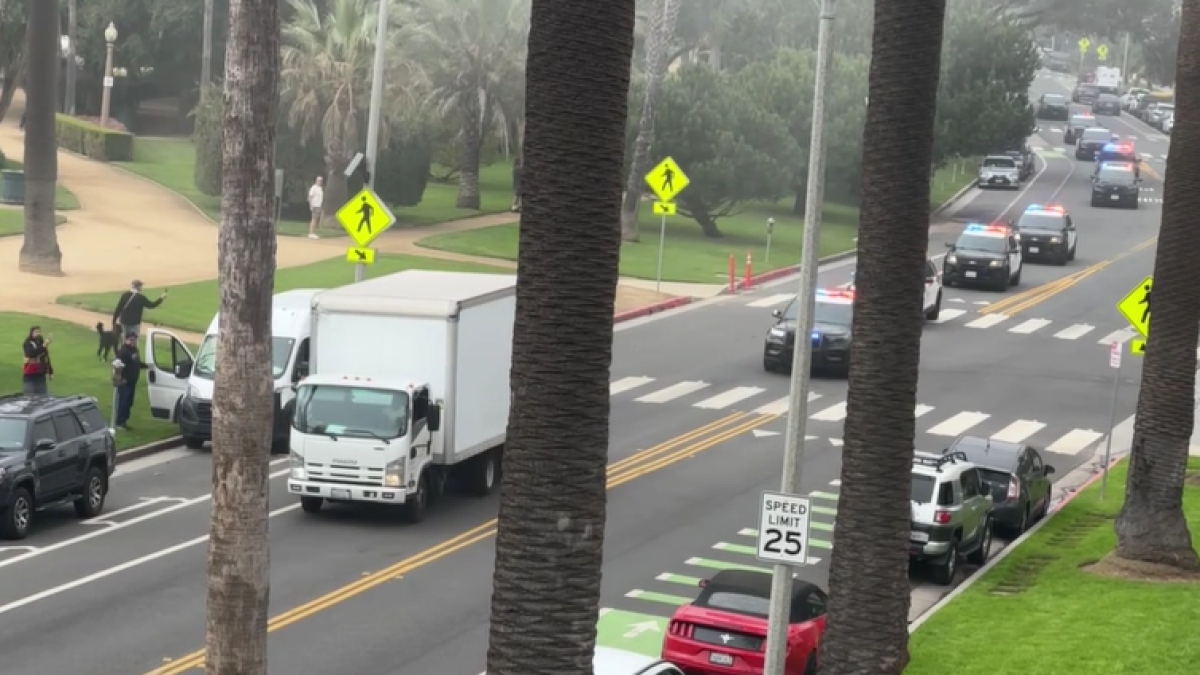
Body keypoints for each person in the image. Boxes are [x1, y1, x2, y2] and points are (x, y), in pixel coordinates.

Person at [114, 331, 147, 431]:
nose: (133, 341)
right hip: (125, 382)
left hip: (132, 381)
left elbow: (136, 363)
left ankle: (124, 421)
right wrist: (121, 379)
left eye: (134, 339)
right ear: (126, 339)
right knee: (123, 402)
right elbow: (117, 366)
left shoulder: (134, 350)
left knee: (129, 403)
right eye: (131, 340)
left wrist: (146, 366)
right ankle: (120, 422)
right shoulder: (123, 352)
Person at [21, 326, 53, 394]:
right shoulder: (27, 343)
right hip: (29, 374)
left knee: (42, 396)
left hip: (40, 373)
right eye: (36, 332)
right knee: (30, 397)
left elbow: (46, 357)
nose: (38, 333)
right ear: (31, 333)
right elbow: (31, 353)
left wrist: (50, 371)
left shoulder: (40, 342)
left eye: (39, 332)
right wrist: (43, 346)